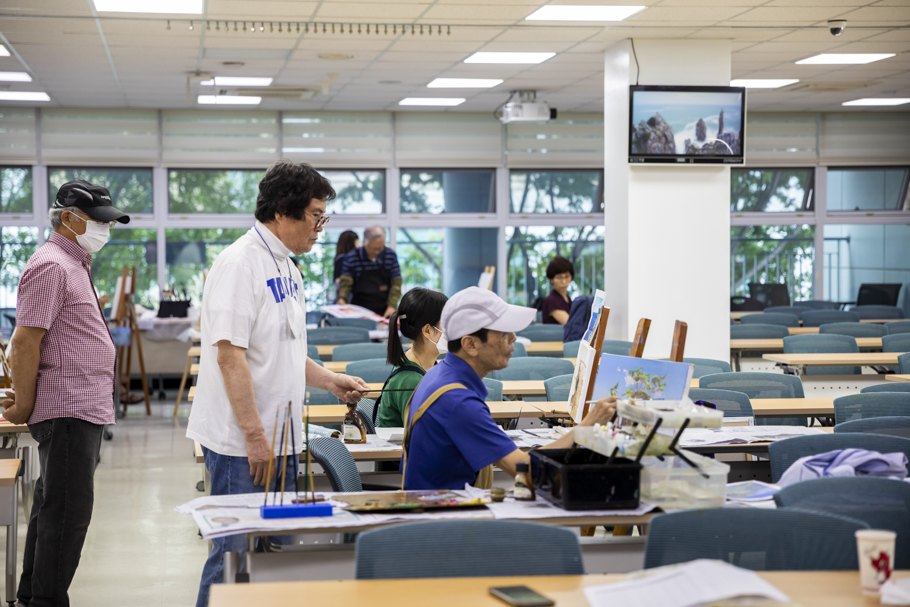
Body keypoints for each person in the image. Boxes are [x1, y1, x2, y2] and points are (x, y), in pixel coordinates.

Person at [186, 160, 369, 607]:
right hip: (244, 444)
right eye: (315, 216)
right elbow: (230, 357)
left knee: (274, 557)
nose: (320, 229)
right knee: (235, 556)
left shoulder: (287, 266)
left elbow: (284, 350)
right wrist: (254, 436)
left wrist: (330, 380)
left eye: (324, 217)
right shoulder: (239, 264)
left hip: (281, 437)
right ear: (283, 212)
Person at [2, 179, 129, 606]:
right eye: (99, 221)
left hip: (80, 406)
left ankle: (32, 596)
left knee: (52, 508)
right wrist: (24, 404)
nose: (105, 229)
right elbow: (24, 342)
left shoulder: (74, 263)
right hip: (67, 408)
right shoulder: (52, 265)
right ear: (70, 218)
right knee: (67, 516)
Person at [401, 287, 616, 490]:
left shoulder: (439, 375)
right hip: (443, 514)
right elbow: (526, 470)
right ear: (470, 344)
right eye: (503, 333)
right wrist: (586, 427)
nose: (513, 337)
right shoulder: (457, 401)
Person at [376, 288, 448, 428]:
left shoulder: (425, 362)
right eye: (446, 323)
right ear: (427, 330)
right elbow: (424, 433)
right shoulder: (411, 381)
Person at [336, 226, 402, 318]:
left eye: (380, 248)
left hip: (385, 310)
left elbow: (396, 283)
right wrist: (342, 300)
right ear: (364, 242)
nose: (377, 252)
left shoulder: (390, 255)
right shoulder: (351, 257)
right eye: (373, 248)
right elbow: (345, 285)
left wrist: (392, 306)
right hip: (359, 311)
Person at [541, 256, 575, 325]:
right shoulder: (551, 300)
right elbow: (571, 325)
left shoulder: (568, 299)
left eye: (567, 277)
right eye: (559, 278)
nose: (564, 281)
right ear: (551, 279)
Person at [333, 230, 360, 302]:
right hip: (346, 300)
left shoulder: (341, 258)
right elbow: (338, 282)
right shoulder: (344, 259)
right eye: (357, 241)